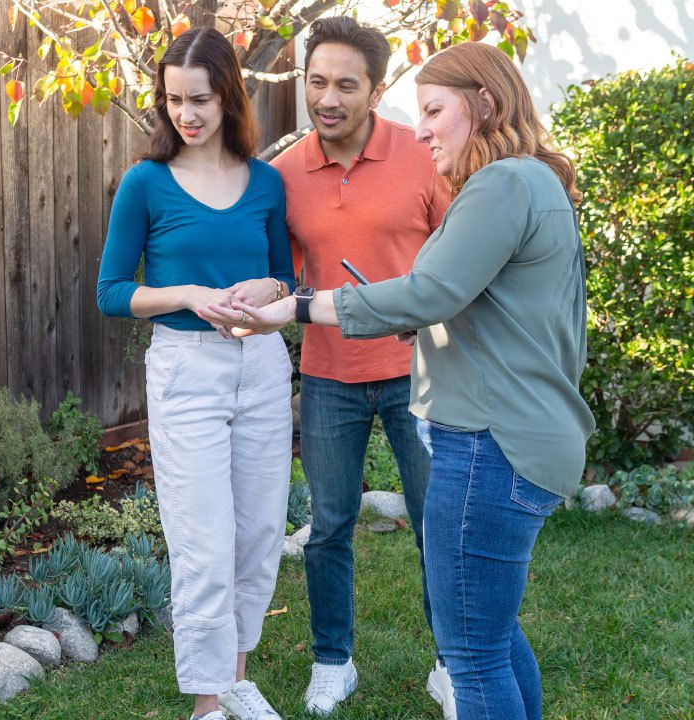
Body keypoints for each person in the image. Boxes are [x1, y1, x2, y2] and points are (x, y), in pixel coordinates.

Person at [199, 41, 597, 720]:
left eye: (435, 110)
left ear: (486, 104)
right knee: (492, 639)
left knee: (470, 654)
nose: (422, 129)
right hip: (522, 436)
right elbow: (494, 310)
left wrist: (295, 308)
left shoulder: (499, 183)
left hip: (489, 445)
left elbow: (428, 290)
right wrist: (435, 322)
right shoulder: (534, 182)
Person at [97, 27, 295, 720]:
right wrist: (187, 295)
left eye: (201, 100)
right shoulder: (145, 184)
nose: (187, 113)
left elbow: (286, 283)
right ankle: (207, 705)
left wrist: (258, 294)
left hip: (262, 368)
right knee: (204, 543)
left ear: (229, 96)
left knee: (257, 536)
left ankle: (237, 680)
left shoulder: (266, 181)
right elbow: (112, 290)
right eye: (175, 99)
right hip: (188, 371)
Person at [269, 16, 454, 718]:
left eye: (346, 84)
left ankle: (452, 661)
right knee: (330, 522)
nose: (329, 98)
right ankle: (332, 660)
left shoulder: (421, 156)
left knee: (439, 522)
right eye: (317, 82)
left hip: (424, 373)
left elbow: (461, 258)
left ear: (376, 90)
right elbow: (277, 279)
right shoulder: (285, 174)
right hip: (327, 377)